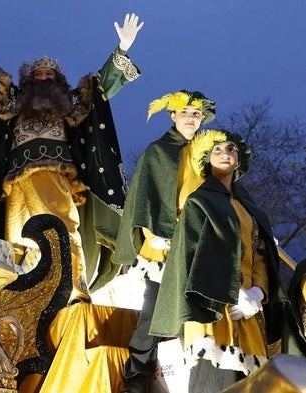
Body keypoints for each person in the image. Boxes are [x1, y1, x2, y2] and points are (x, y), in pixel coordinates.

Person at [0, 9, 143, 303]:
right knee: (17, 233)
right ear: (28, 81)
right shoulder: (13, 102)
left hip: (58, 178)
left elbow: (101, 86)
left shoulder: (72, 103)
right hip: (18, 182)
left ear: (59, 81)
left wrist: (123, 47)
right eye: (38, 75)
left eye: (49, 75)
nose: (43, 78)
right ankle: (21, 292)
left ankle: (72, 289)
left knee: (63, 228)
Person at [149, 129, 287, 392]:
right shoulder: (198, 203)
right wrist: (232, 292)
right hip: (210, 310)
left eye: (231, 149)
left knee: (251, 384)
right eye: (217, 149)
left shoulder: (248, 207)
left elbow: (260, 252)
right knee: (214, 382)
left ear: (239, 160)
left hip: (248, 310)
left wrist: (258, 292)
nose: (226, 153)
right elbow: (191, 257)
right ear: (206, 159)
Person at [113, 90, 216, 392]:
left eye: (196, 114)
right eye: (185, 113)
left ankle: (197, 378)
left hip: (198, 248)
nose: (191, 118)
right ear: (173, 116)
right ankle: (136, 378)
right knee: (153, 314)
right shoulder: (157, 152)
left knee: (196, 313)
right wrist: (151, 233)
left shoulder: (208, 153)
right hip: (164, 247)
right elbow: (144, 196)